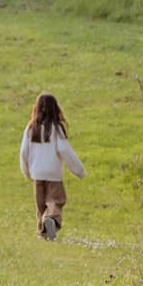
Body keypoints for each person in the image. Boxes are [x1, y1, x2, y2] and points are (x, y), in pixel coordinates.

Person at [18, 93, 86, 241]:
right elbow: (65, 151)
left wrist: (27, 172)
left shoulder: (31, 128)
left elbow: (24, 152)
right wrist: (79, 171)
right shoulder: (57, 128)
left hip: (37, 172)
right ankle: (50, 220)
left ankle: (43, 233)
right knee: (56, 201)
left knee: (41, 205)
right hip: (53, 173)